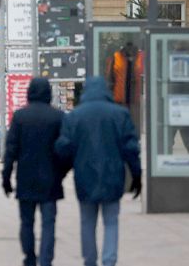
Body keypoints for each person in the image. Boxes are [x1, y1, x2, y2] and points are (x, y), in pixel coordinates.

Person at [55, 76, 141, 266]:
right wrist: (136, 175)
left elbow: (64, 148)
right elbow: (131, 148)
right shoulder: (120, 114)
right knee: (111, 221)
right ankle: (109, 261)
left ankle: (90, 260)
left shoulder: (75, 116)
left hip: (85, 176)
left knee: (87, 221)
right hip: (113, 176)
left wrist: (61, 172)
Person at [2, 78, 67, 266]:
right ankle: (46, 260)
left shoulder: (20, 117)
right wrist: (61, 173)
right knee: (48, 224)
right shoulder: (58, 117)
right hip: (51, 179)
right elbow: (65, 150)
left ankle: (29, 258)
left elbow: (11, 150)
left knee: (27, 222)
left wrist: (6, 178)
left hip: (26, 179)